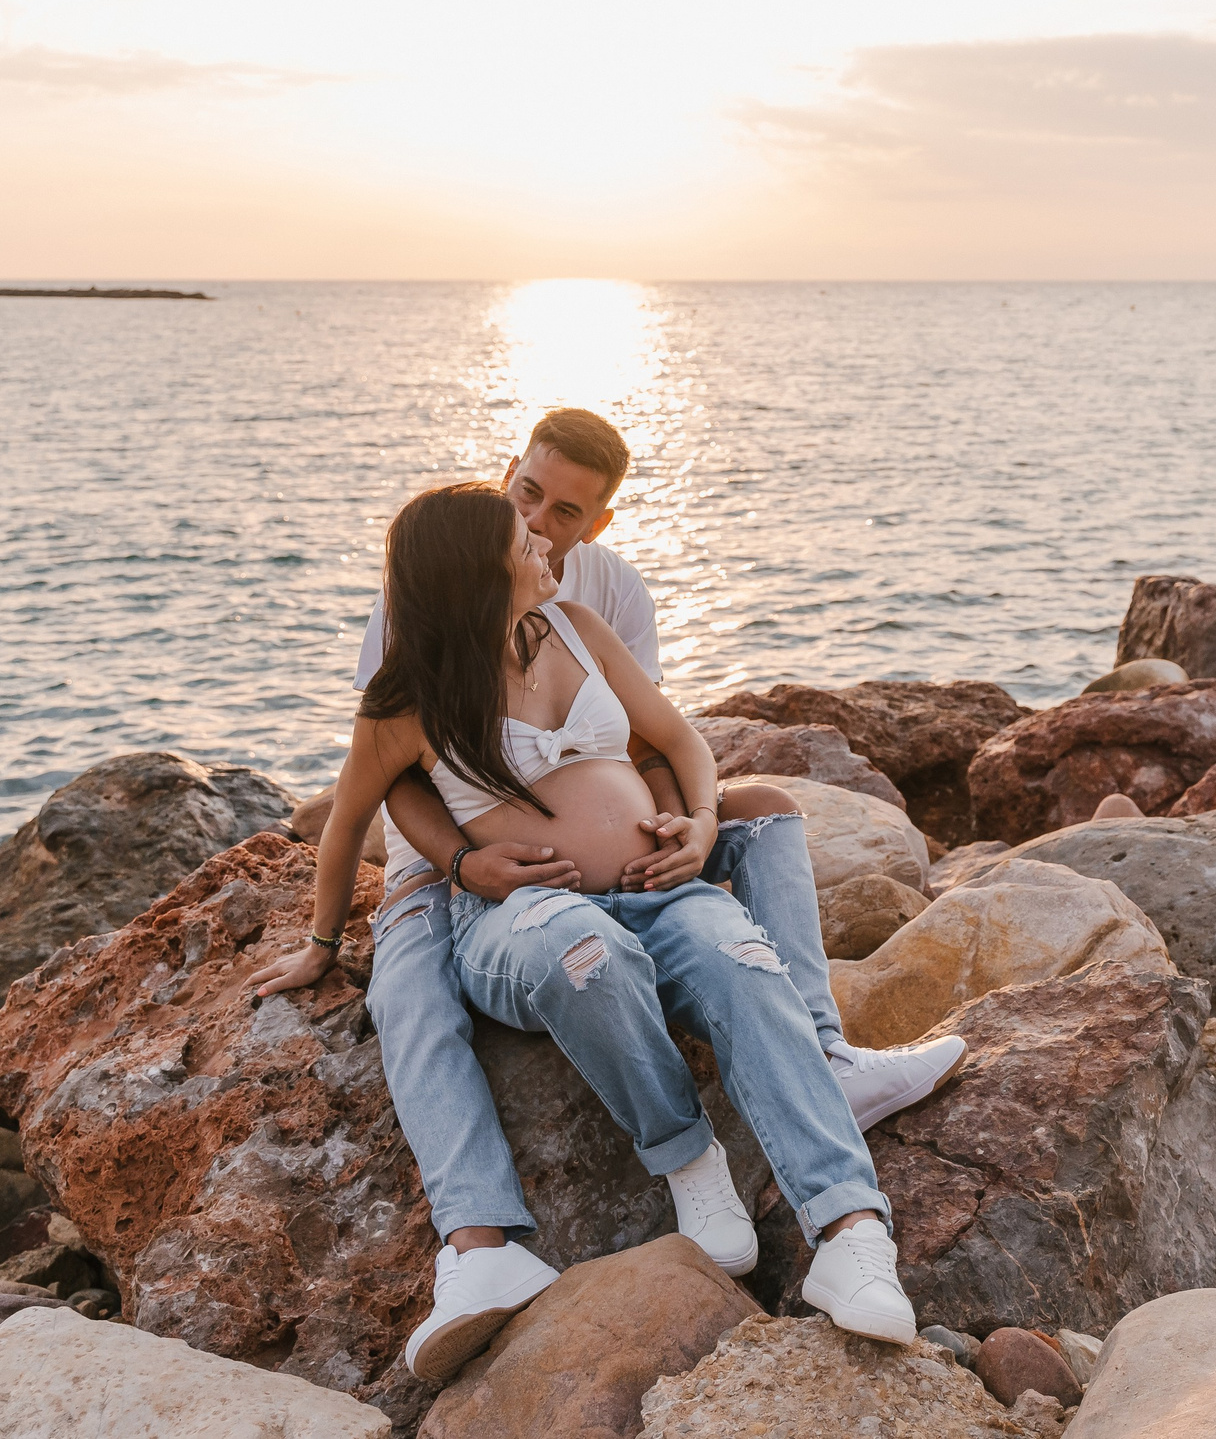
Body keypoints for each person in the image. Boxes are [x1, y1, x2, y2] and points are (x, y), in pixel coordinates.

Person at [249, 481, 922, 1377]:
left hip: (658, 889)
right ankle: (688, 1157)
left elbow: (679, 741)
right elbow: (344, 826)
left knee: (746, 962)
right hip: (519, 916)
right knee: (585, 954)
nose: (541, 543)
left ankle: (850, 1231)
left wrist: (701, 826)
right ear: (475, 578)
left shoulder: (575, 628)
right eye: (520, 538)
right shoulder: (405, 701)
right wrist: (323, 944)